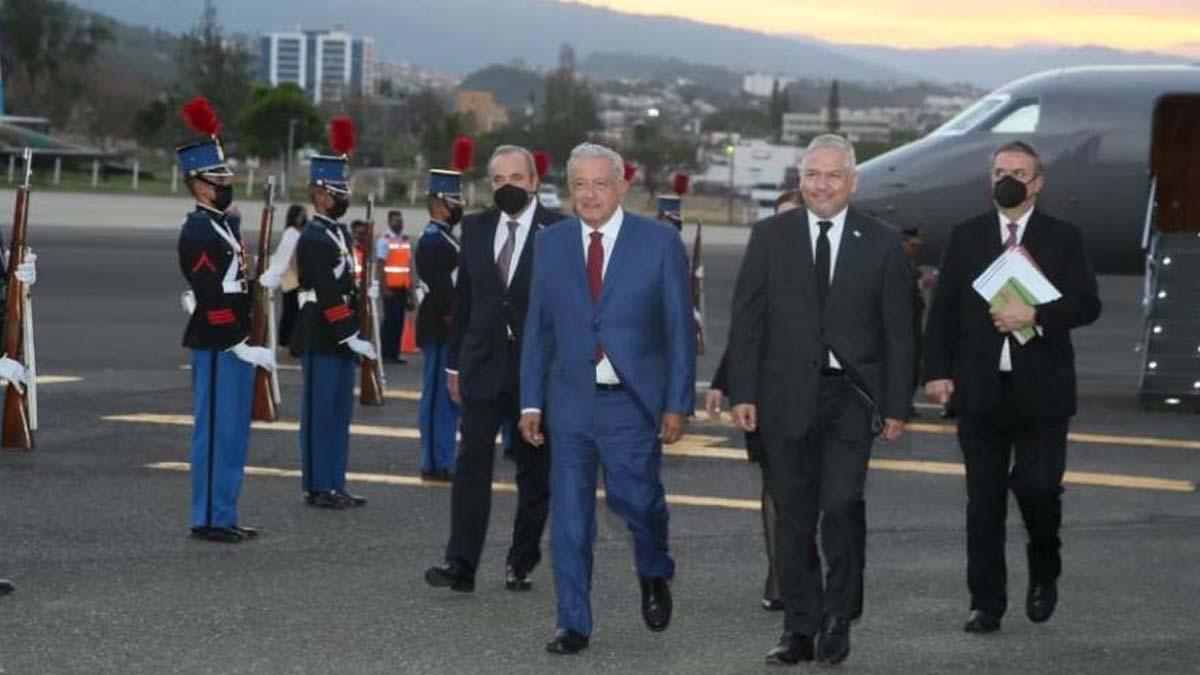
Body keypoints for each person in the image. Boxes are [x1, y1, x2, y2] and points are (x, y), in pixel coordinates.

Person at [727, 134, 913, 666]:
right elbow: (748, 322)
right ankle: (799, 628)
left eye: (833, 176)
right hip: (783, 397)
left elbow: (900, 333)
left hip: (852, 398)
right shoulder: (770, 236)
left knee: (840, 506)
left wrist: (896, 404)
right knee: (792, 517)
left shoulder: (881, 242)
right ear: (800, 180)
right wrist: (743, 391)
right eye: (812, 175)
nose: (821, 185)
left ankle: (839, 616)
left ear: (852, 182)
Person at [518, 142, 695, 655]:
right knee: (570, 519)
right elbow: (538, 330)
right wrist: (531, 402)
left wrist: (676, 403)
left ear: (622, 188)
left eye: (600, 184)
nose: (590, 194)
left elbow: (678, 330)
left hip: (631, 403)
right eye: (580, 185)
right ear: (569, 191)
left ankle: (654, 566)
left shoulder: (659, 242)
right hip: (569, 403)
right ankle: (573, 622)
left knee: (635, 500)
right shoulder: (550, 244)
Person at [923, 140, 1101, 635]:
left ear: (1038, 182)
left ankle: (1045, 566)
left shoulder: (1064, 238)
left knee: (1038, 488)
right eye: (1000, 171)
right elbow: (943, 313)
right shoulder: (967, 236)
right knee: (983, 503)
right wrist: (936, 371)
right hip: (980, 391)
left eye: (1019, 172)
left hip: (1042, 392)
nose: (1008, 179)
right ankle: (986, 603)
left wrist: (1037, 314)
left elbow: (1088, 304)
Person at [424, 145, 565, 594]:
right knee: (471, 464)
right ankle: (460, 564)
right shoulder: (477, 227)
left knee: (534, 470)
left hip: (535, 372)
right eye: (498, 180)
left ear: (535, 181)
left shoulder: (559, 231)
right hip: (482, 364)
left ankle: (520, 561)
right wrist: (451, 364)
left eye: (516, 178)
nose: (507, 187)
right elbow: (464, 299)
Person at [175, 96, 276, 543]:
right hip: (217, 341)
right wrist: (237, 338)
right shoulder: (198, 230)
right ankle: (209, 518)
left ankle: (225, 511)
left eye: (226, 177)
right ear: (198, 185)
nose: (225, 184)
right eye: (217, 179)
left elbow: (237, 281)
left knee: (233, 432)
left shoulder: (223, 226)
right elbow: (210, 291)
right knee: (215, 432)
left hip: (234, 339)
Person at [704, 188, 802, 613]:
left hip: (818, 391)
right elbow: (745, 330)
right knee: (775, 484)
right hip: (764, 392)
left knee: (810, 488)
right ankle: (780, 574)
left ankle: (801, 565)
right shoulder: (763, 263)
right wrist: (722, 382)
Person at [289, 118, 377, 510]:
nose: (343, 196)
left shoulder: (339, 233)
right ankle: (317, 484)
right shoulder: (312, 237)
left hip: (342, 334)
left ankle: (336, 481)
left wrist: (363, 309)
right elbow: (325, 290)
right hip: (323, 333)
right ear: (319, 196)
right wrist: (348, 330)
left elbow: (348, 283)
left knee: (340, 415)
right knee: (319, 414)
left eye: (344, 189)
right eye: (336, 190)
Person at [415, 169, 463, 482]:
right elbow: (443, 290)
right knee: (437, 397)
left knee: (447, 398)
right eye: (455, 201)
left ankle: (443, 456)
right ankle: (434, 461)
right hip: (440, 324)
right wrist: (457, 320)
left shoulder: (445, 237)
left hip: (446, 324)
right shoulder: (435, 241)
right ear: (440, 204)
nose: (459, 207)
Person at [260, 204, 308, 348]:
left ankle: (289, 339)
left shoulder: (295, 232)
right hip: (290, 274)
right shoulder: (292, 233)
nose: (304, 218)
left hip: (293, 274)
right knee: (291, 309)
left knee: (293, 308)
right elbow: (289, 256)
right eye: (302, 215)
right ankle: (286, 340)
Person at [377, 210, 412, 364]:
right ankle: (384, 352)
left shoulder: (404, 240)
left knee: (399, 322)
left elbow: (407, 266)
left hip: (402, 287)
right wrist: (383, 288)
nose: (399, 223)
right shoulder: (384, 240)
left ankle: (394, 353)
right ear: (389, 222)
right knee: (389, 321)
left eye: (400, 220)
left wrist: (410, 290)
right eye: (396, 221)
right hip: (390, 287)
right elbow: (380, 265)